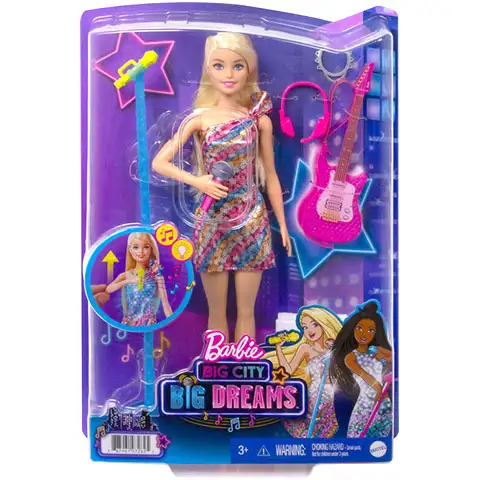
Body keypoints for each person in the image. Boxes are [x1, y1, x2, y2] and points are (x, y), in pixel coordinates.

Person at [152, 32, 291, 341]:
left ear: (249, 70)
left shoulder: (258, 120)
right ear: (208, 69)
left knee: (247, 312)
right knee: (216, 312)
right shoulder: (199, 119)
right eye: (219, 65)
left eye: (237, 66)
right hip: (212, 220)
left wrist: (282, 224)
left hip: (250, 219)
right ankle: (214, 364)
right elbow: (160, 162)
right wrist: (197, 181)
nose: (228, 74)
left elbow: (270, 174)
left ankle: (245, 365)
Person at [264, 306, 343, 438]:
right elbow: (288, 370)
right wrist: (278, 349)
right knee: (303, 427)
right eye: (305, 327)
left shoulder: (334, 349)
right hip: (312, 394)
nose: (309, 330)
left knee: (326, 429)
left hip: (332, 396)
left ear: (324, 324)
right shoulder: (305, 348)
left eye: (314, 325)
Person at [330, 300, 392, 437]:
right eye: (359, 328)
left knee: (380, 436)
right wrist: (379, 388)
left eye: (371, 330)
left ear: (376, 333)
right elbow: (363, 375)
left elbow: (394, 359)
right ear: (353, 329)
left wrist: (385, 357)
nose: (364, 334)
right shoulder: (351, 357)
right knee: (357, 435)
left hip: (383, 401)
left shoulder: (377, 350)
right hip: (366, 403)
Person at [106, 232, 172, 326]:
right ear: (130, 250)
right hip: (130, 322)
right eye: (136, 247)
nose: (141, 251)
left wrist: (172, 322)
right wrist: (128, 281)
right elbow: (108, 289)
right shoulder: (126, 275)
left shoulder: (155, 276)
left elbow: (165, 302)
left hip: (148, 322)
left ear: (151, 249)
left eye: (146, 247)